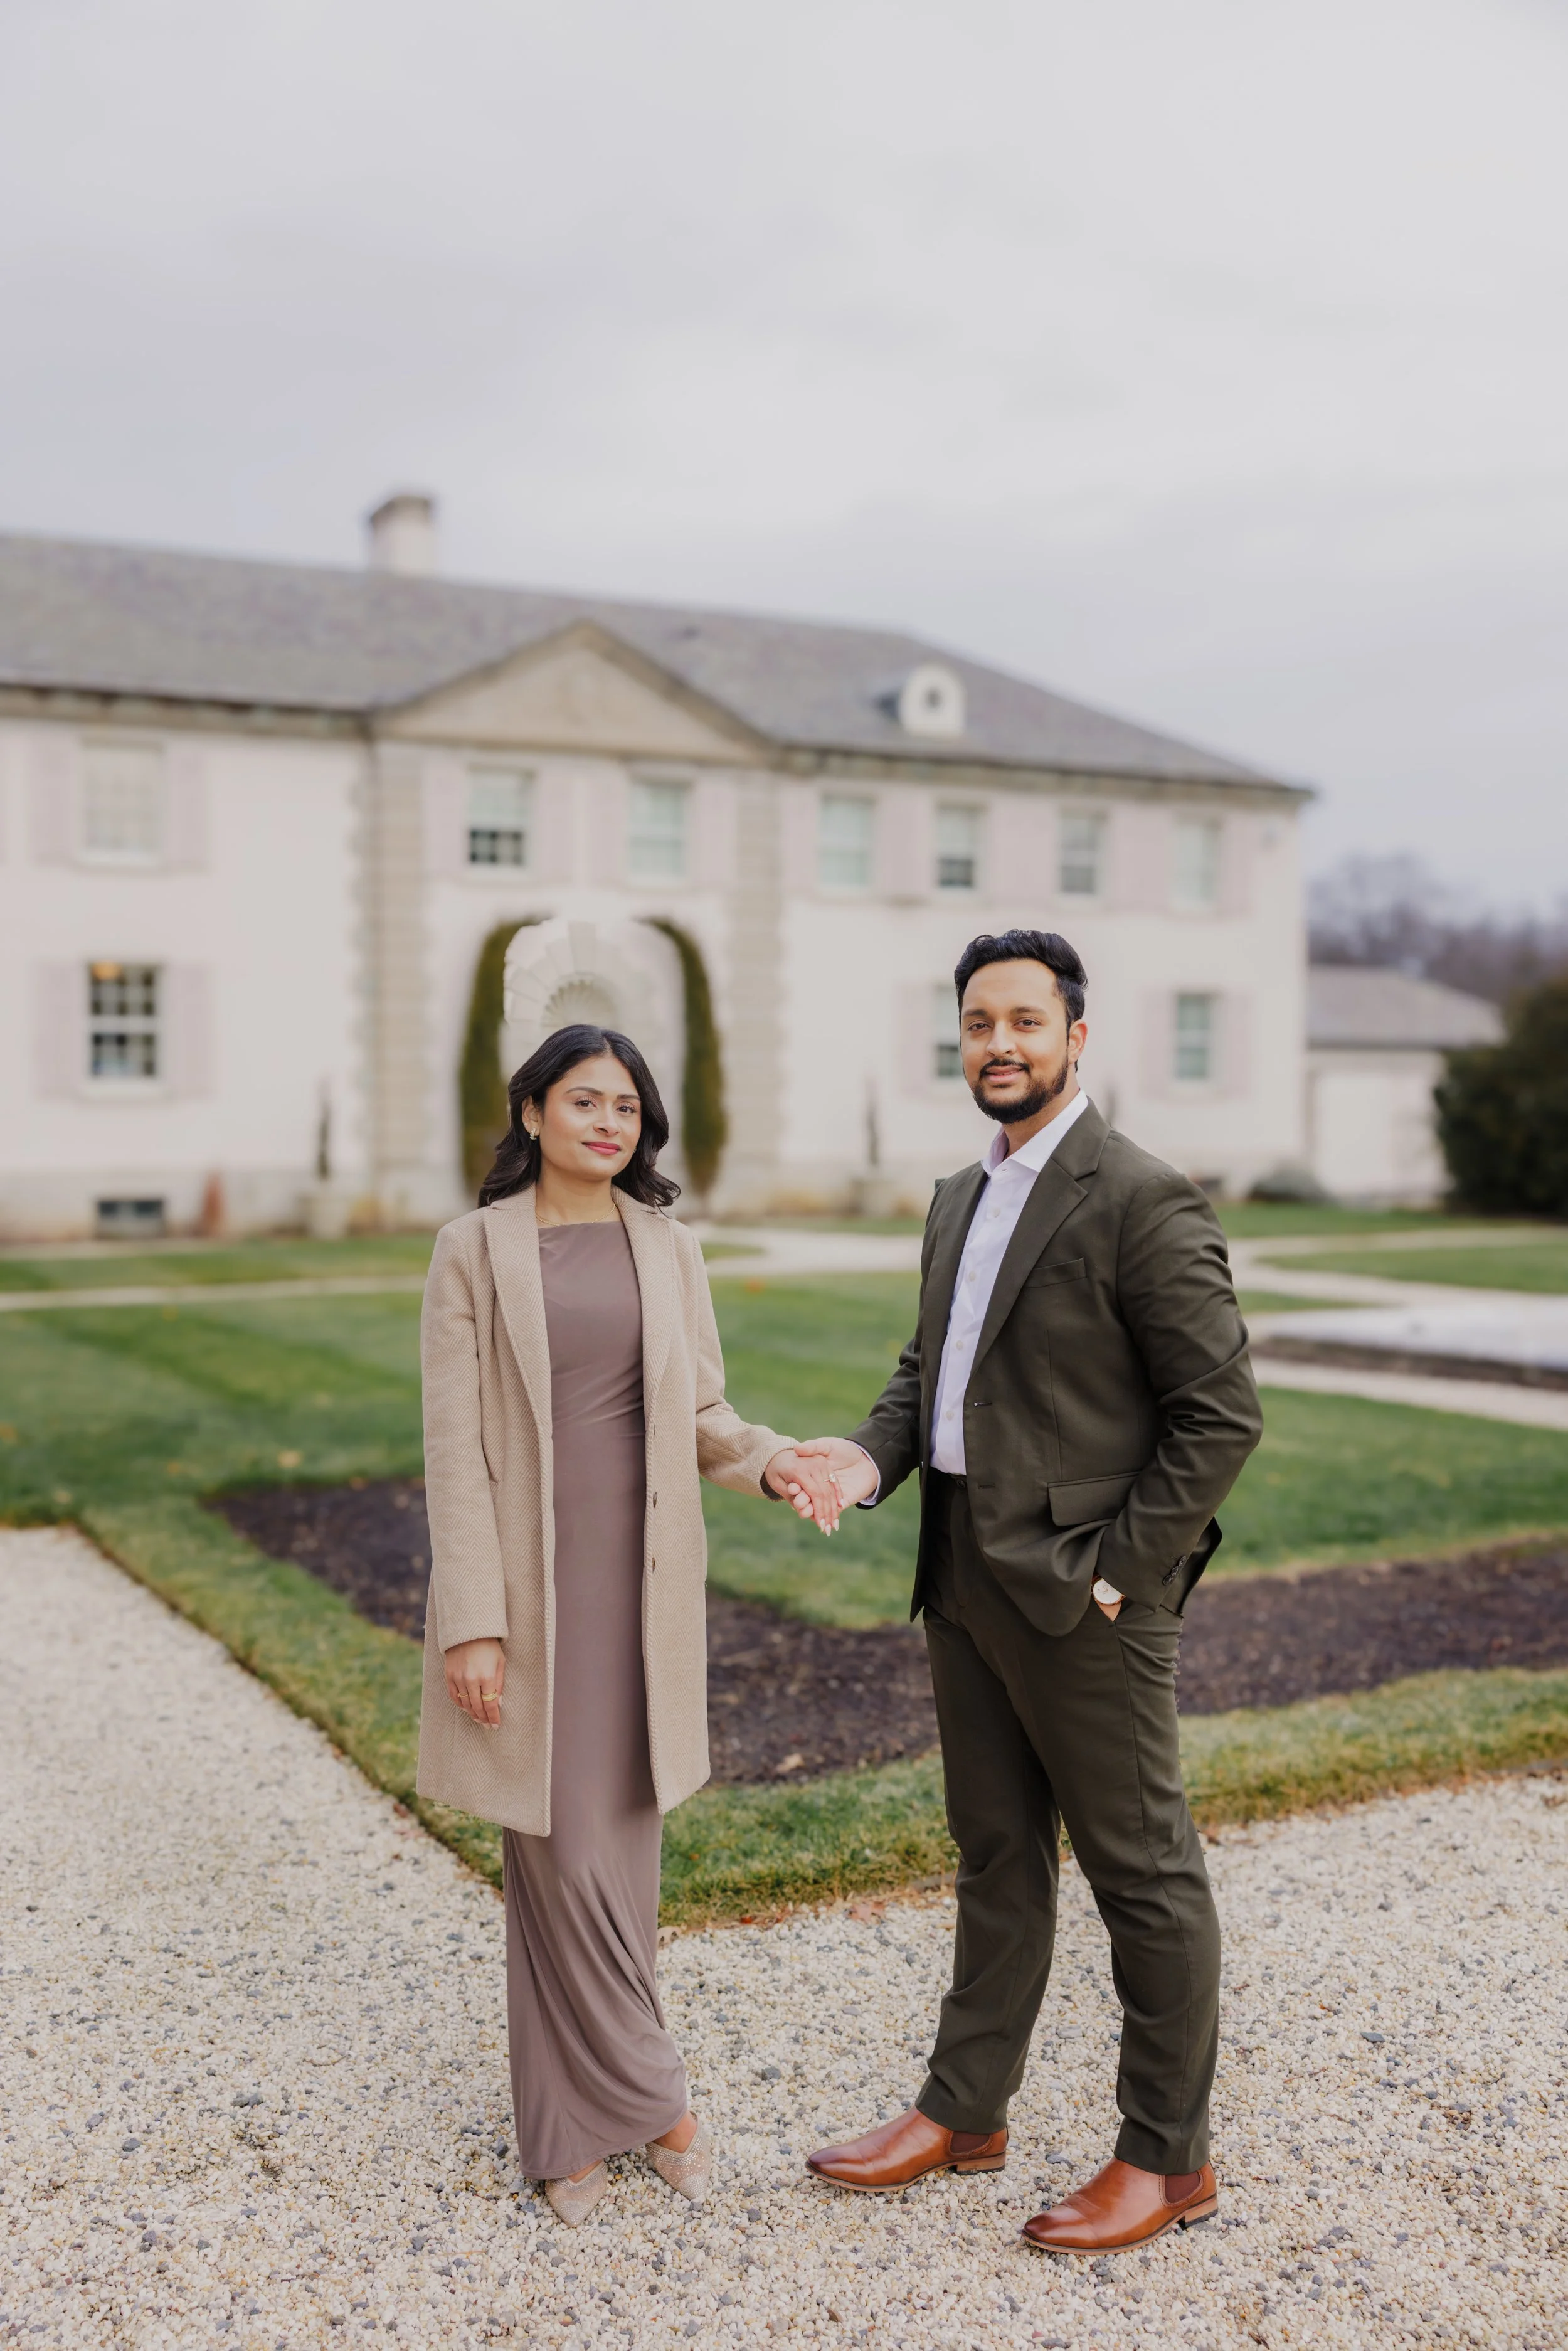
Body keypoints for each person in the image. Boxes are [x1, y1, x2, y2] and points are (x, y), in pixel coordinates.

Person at [795, 929, 1263, 2253]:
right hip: (960, 1579)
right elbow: (928, 1370)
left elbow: (1218, 1415)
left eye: (1022, 1020)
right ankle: (964, 2110)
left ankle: (1165, 2158)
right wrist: (868, 1458)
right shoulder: (957, 1192)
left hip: (1084, 1598)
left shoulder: (1138, 1195)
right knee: (996, 1856)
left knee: (1143, 1875)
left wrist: (1120, 1571)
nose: (997, 1042)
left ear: (1072, 1035)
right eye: (976, 1023)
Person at [416, 1022, 840, 2226]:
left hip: (641, 1590)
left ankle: (576, 2128)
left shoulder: (668, 1244)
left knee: (624, 1855)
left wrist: (775, 1464)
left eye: (629, 1106)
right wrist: (472, 1624)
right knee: (554, 1859)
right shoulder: (470, 1250)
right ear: (534, 1110)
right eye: (585, 1101)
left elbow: (705, 1410)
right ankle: (653, 2103)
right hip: (527, 1593)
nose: (611, 1123)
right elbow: (454, 1453)